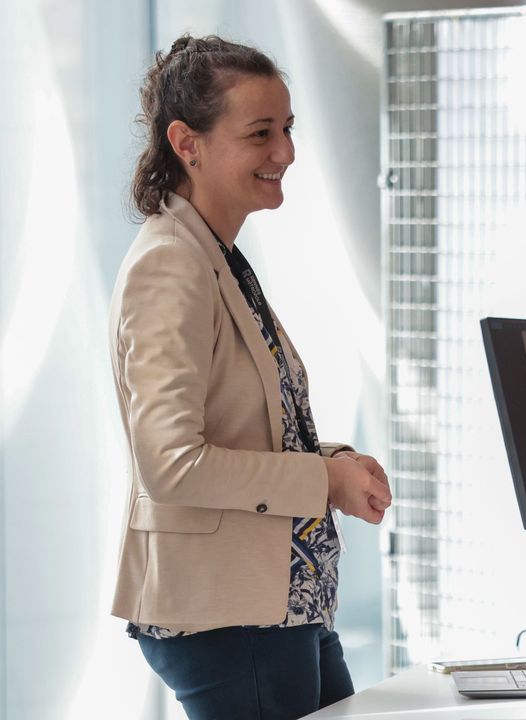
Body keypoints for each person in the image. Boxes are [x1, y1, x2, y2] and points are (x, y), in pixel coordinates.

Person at [109, 35, 393, 719]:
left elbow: (248, 427)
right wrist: (319, 481)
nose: (286, 153)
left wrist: (335, 463)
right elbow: (171, 464)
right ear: (188, 143)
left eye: (288, 129)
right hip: (231, 620)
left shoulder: (215, 255)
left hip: (277, 610)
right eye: (261, 133)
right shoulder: (172, 264)